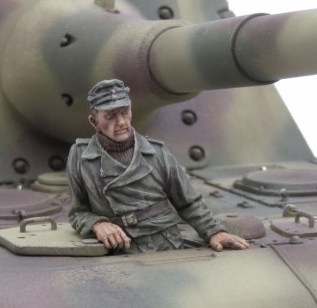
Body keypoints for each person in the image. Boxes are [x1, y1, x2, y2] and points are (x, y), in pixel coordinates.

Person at [67, 78, 249, 253]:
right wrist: (98, 224)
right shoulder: (80, 156)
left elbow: (188, 201)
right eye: (110, 116)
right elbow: (77, 212)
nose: (121, 122)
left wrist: (214, 231)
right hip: (120, 247)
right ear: (95, 121)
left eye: (124, 112)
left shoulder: (157, 152)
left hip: (166, 242)